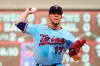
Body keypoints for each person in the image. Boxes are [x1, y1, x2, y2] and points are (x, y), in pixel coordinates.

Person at [15, 5, 86, 66]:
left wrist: (74, 53)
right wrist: (26, 12)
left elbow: (77, 58)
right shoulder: (38, 29)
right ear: (49, 16)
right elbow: (18, 23)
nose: (56, 15)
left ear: (61, 17)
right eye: (53, 13)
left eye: (59, 14)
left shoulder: (68, 36)